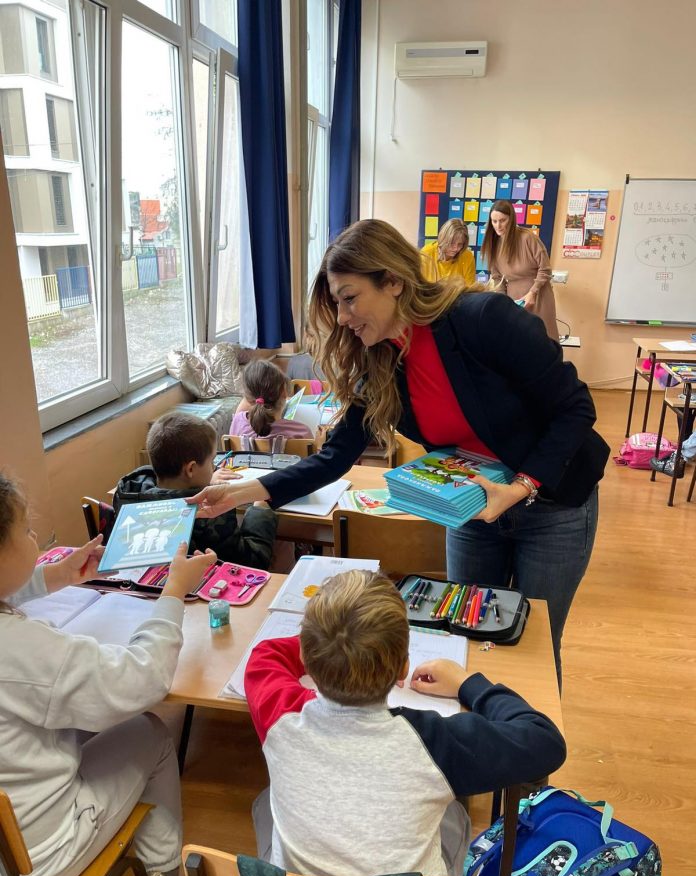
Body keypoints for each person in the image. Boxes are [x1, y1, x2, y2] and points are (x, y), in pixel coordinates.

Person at [187, 219, 610, 684]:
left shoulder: (483, 319)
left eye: (350, 298)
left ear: (393, 281)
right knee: (464, 639)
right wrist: (241, 493)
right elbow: (336, 456)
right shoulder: (381, 358)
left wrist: (522, 486)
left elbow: (575, 407)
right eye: (336, 304)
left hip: (551, 505)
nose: (342, 317)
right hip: (470, 508)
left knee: (532, 652)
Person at [245, 569, 566, 876]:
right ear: (403, 667)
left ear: (306, 655)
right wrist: (467, 683)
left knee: (267, 803)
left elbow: (264, 655)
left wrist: (327, 642)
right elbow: (545, 740)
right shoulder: (434, 741)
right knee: (454, 813)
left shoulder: (282, 715)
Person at [0, 472, 216, 876]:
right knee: (150, 731)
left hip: (10, 842)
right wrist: (174, 591)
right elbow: (142, 680)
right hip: (32, 862)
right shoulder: (18, 650)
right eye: (27, 529)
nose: (35, 537)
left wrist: (55, 576)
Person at [115, 412, 277, 569]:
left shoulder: (128, 493)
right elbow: (251, 563)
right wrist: (260, 510)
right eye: (212, 461)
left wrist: (202, 482)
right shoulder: (208, 508)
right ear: (191, 469)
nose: (214, 467)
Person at [480, 200, 559, 341]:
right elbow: (497, 278)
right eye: (494, 221)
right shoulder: (493, 244)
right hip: (514, 299)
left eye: (502, 221)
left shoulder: (527, 238)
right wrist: (504, 302)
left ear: (511, 219)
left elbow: (545, 269)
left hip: (538, 295)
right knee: (517, 341)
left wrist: (533, 292)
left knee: (543, 338)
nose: (498, 226)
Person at [230, 359, 314, 446]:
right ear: (284, 392)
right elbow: (315, 454)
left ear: (247, 397)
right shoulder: (301, 432)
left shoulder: (237, 423)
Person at [420, 218, 476, 286]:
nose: (456, 248)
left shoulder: (467, 256)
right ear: (443, 239)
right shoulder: (426, 253)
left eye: (460, 244)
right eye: (452, 243)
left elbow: (470, 289)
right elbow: (419, 286)